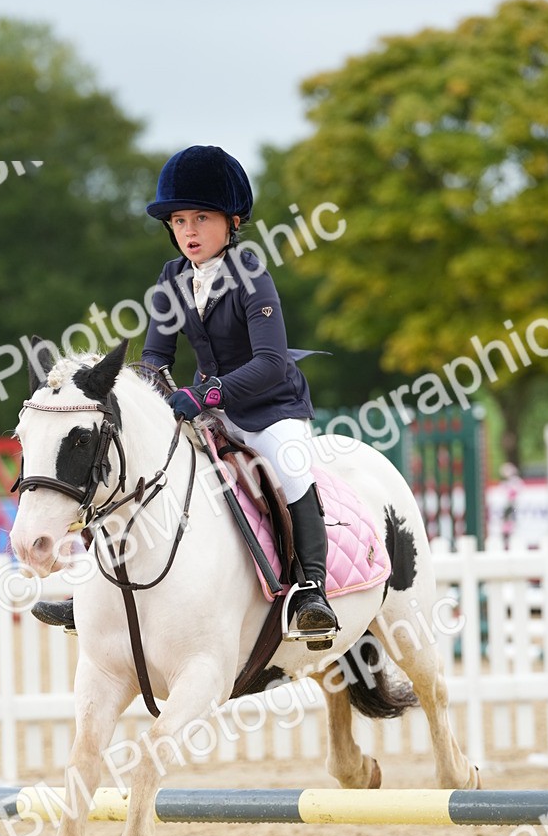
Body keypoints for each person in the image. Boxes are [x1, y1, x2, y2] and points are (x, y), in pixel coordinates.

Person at [33, 144, 338, 649]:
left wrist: (207, 393)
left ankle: (311, 590)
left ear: (232, 222)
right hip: (207, 409)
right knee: (131, 472)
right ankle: (92, 592)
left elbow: (270, 362)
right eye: (178, 221)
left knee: (292, 468)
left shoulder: (252, 275)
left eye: (201, 218)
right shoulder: (172, 278)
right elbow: (156, 357)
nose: (189, 231)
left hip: (269, 406)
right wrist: (144, 394)